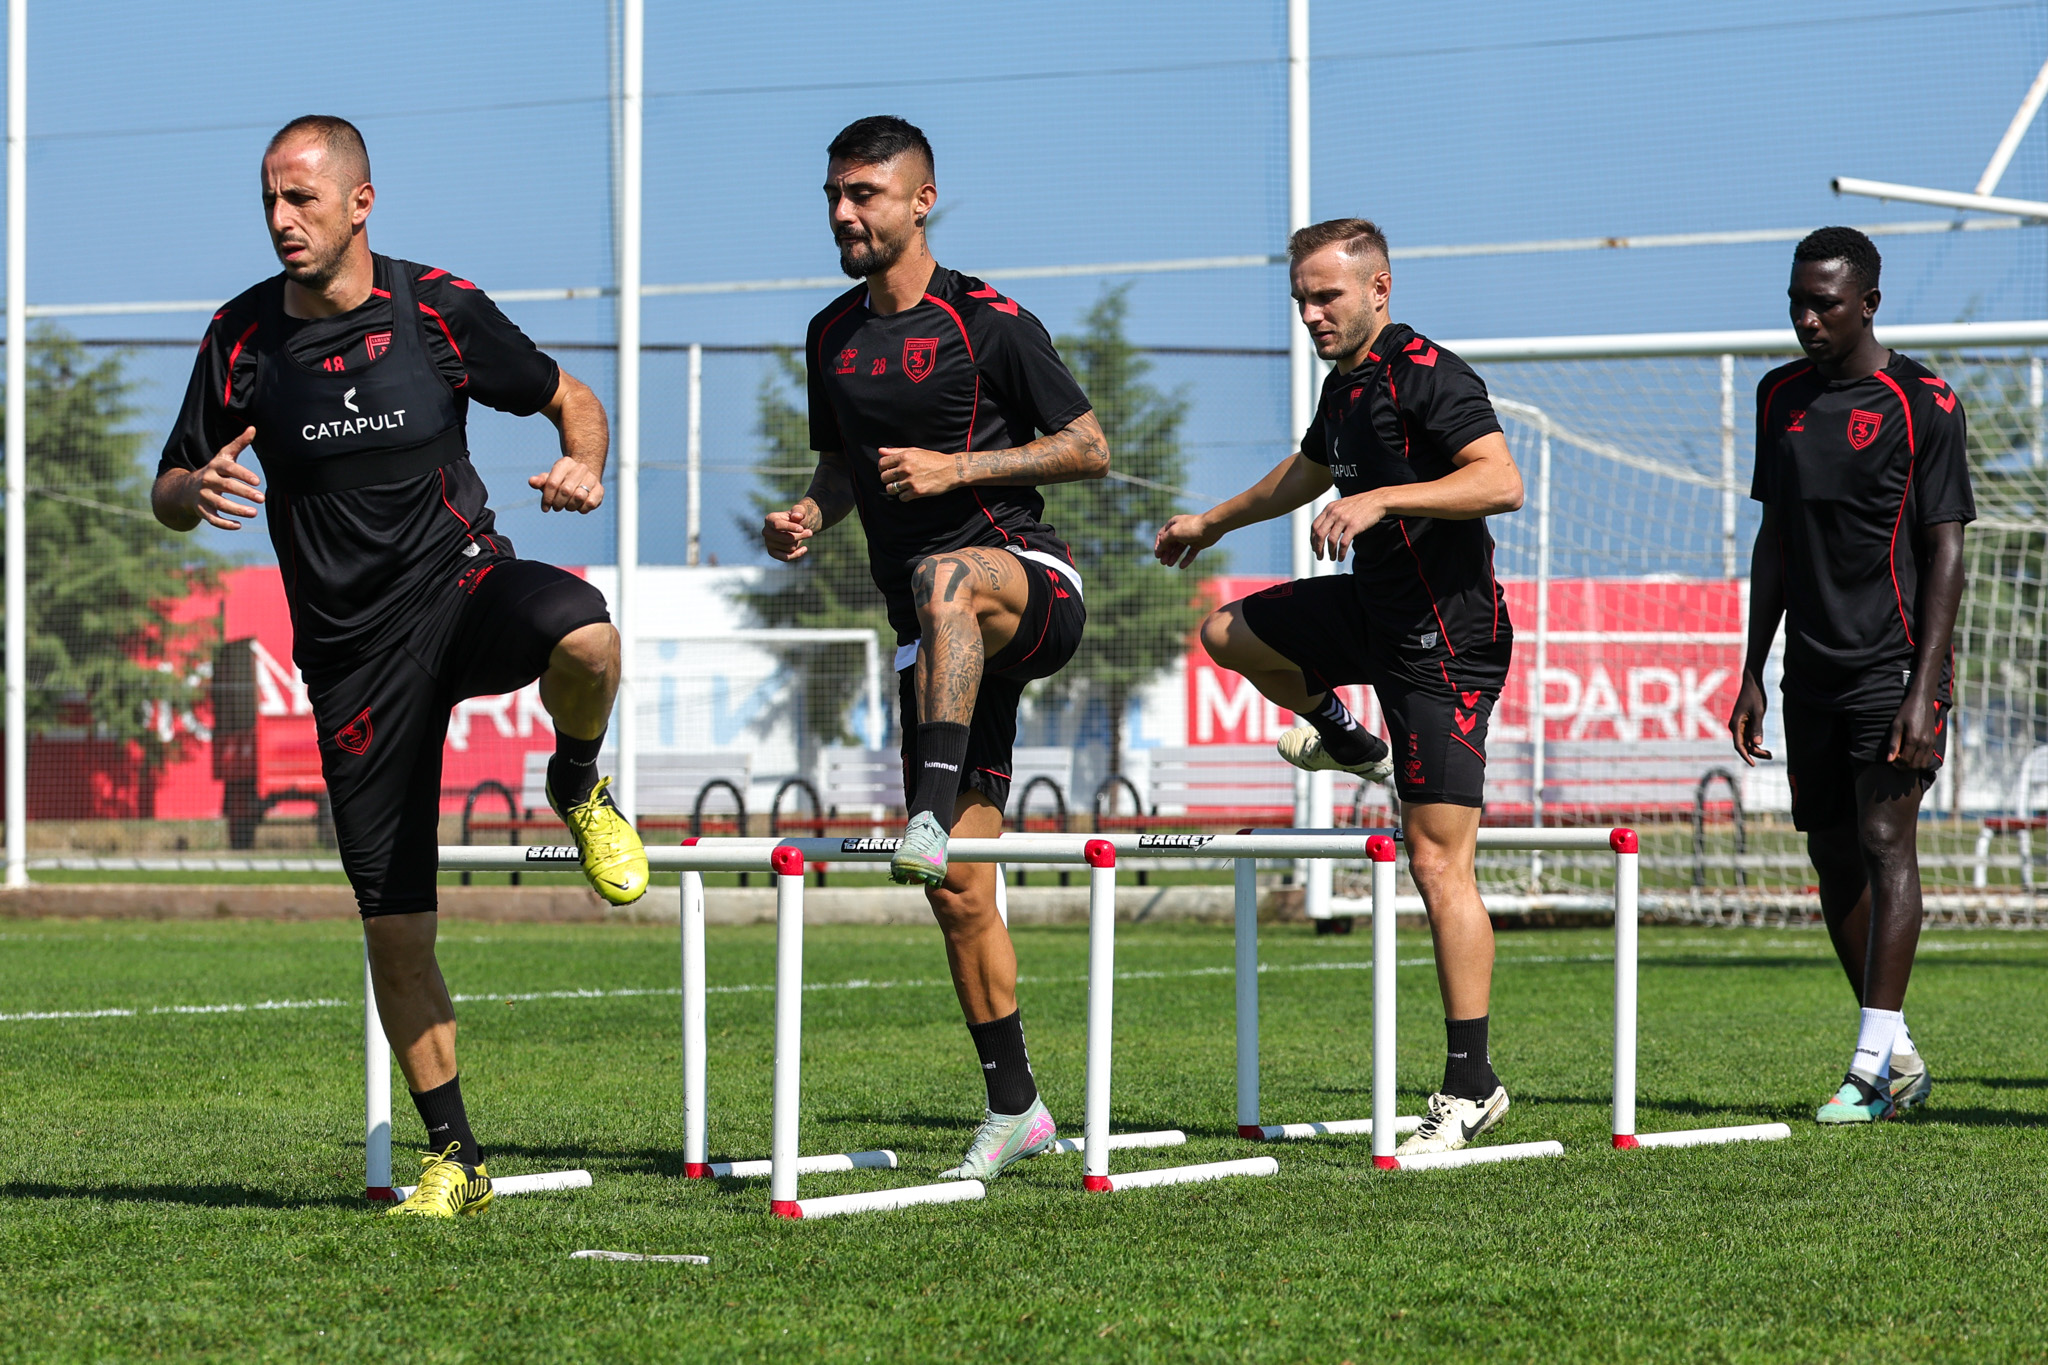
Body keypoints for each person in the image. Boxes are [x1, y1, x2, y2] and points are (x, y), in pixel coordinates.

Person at [152, 115, 650, 1217]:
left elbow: (571, 395)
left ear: (361, 203)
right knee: (396, 922)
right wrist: (195, 493)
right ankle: (457, 1159)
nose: (284, 221)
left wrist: (582, 460)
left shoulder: (437, 309)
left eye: (305, 201)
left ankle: (575, 781)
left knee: (586, 630)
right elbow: (171, 485)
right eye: (270, 202)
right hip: (348, 658)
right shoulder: (239, 337)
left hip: (462, 588)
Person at [761, 116, 1106, 1179]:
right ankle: (1017, 1105)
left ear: (922, 200)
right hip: (935, 636)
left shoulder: (987, 322)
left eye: (864, 194)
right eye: (832, 194)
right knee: (956, 890)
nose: (842, 213)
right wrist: (811, 514)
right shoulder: (829, 335)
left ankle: (924, 806)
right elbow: (841, 469)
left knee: (942, 577)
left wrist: (958, 474)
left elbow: (1090, 448)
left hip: (1024, 587)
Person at [1154, 217, 1525, 1156]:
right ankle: (1346, 736)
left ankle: (1472, 1085)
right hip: (1375, 613)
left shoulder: (1432, 376)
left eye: (1328, 297)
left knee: (1437, 862)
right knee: (1225, 631)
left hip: (1447, 643)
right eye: (1302, 301)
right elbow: (1304, 473)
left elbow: (1500, 479)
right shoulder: (1347, 385)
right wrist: (1213, 521)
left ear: (1380, 290)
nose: (1312, 314)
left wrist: (1384, 497)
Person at [1730, 227, 1970, 1123]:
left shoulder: (1924, 401)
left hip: (1895, 663)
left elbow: (1947, 552)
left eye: (1823, 303)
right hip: (1810, 670)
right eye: (1796, 300)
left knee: (1883, 839)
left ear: (1868, 302)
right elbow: (1774, 539)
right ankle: (1896, 1051)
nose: (1805, 318)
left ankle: (1869, 1065)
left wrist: (1925, 684)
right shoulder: (1778, 397)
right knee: (1831, 851)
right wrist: (1752, 668)